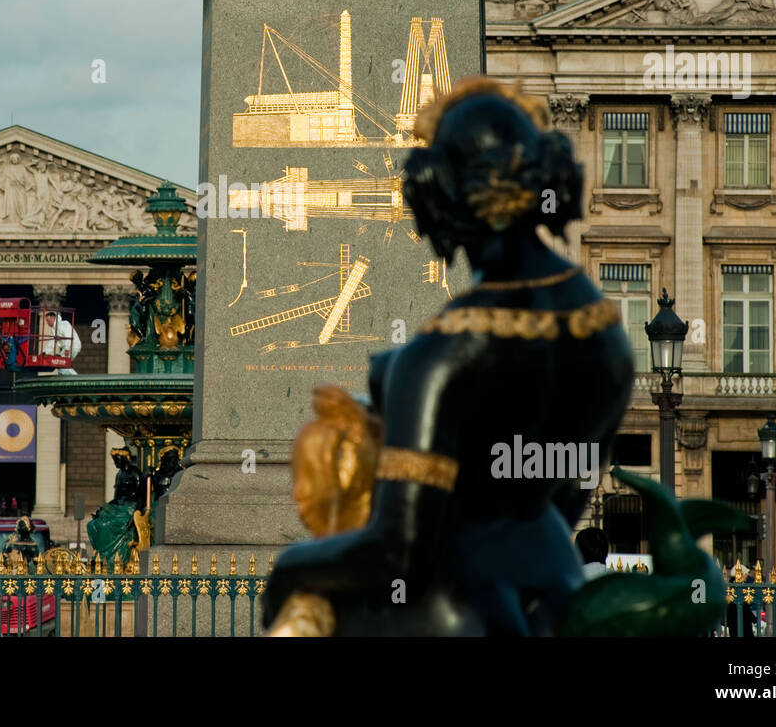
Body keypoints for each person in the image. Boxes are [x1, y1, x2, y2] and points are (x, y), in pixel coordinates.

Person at [263, 77, 636, 636]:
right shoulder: (605, 332)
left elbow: (399, 550)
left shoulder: (444, 356)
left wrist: (288, 572)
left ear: (439, 193)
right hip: (553, 598)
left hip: (452, 615)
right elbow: (566, 499)